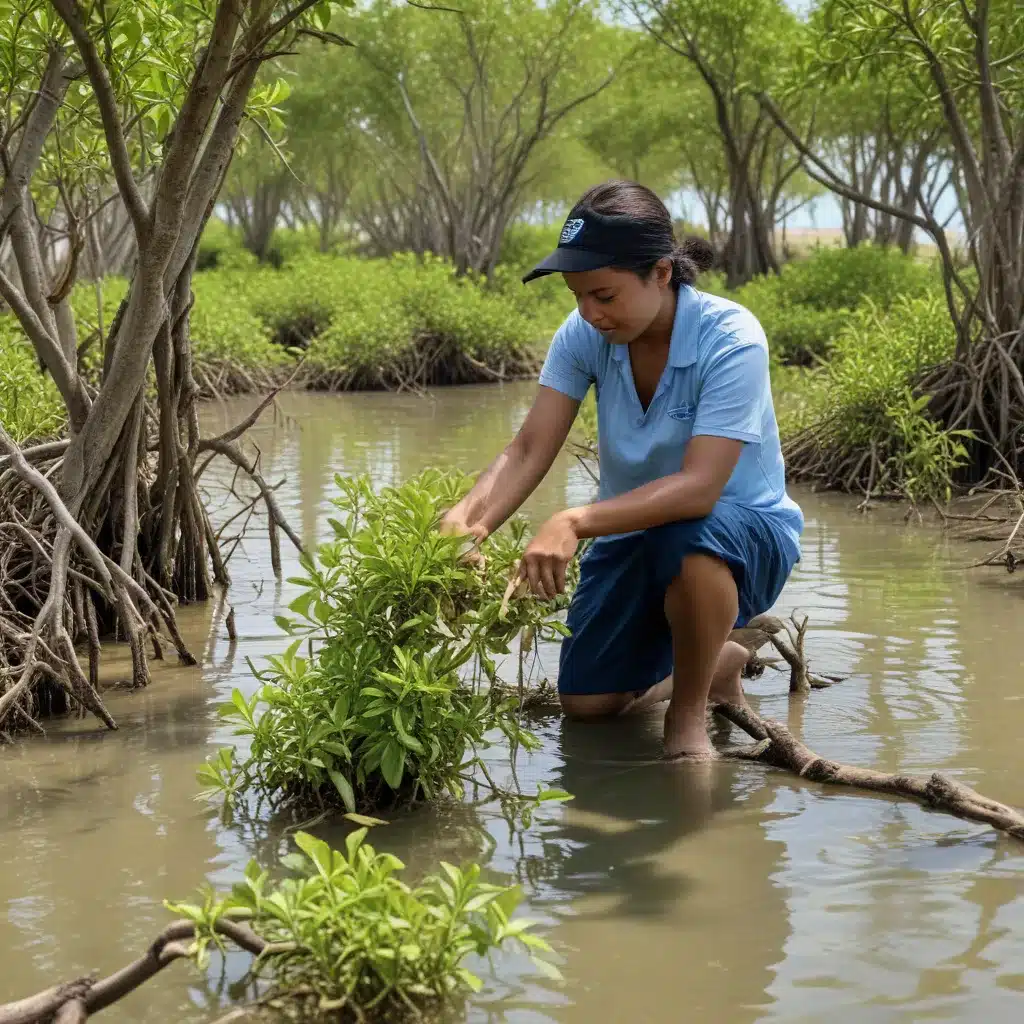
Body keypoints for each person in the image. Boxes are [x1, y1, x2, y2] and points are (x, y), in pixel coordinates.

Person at [440, 180, 803, 758]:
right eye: (578, 295)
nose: (590, 313)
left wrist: (574, 521)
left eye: (604, 295)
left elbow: (700, 488)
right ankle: (714, 662)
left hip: (740, 534)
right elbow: (532, 445)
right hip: (632, 529)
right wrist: (466, 521)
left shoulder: (731, 338)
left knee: (689, 537)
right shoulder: (583, 334)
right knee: (588, 706)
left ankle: (686, 723)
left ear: (661, 273)